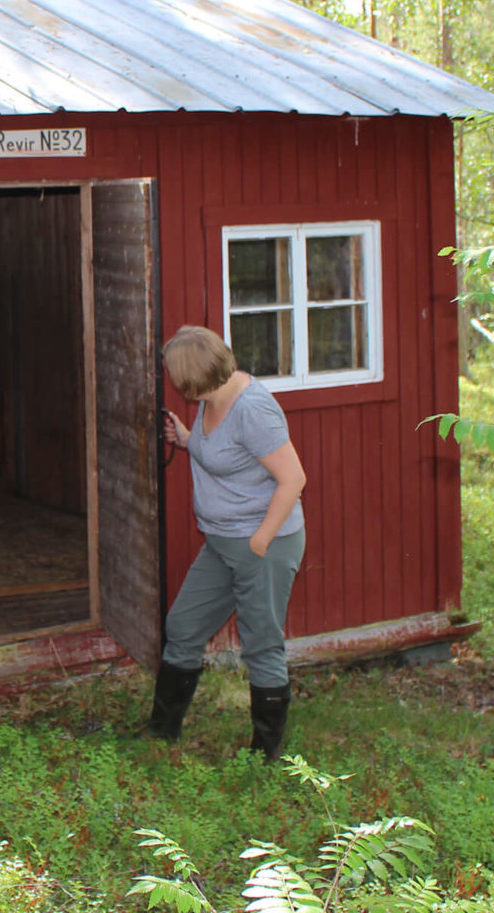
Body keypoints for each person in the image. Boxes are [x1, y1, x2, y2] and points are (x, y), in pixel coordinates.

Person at [149, 325, 307, 760]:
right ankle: (160, 737)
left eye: (177, 377)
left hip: (263, 545)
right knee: (183, 628)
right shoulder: (211, 399)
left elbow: (293, 479)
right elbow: (225, 453)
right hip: (222, 543)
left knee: (261, 646)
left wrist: (258, 542)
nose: (177, 385)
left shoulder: (252, 410)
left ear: (195, 378)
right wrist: (187, 440)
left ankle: (265, 758)